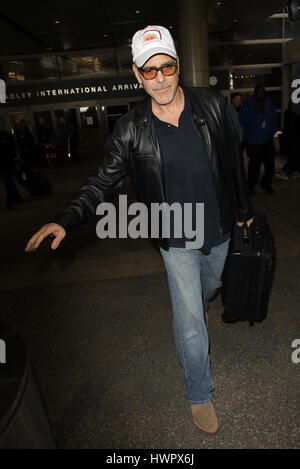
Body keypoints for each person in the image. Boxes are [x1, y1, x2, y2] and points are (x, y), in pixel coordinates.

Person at [25, 25, 253, 435]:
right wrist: (66, 218)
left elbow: (233, 160)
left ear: (178, 66)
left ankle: (198, 309)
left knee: (210, 287)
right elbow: (100, 182)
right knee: (189, 319)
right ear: (136, 74)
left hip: (218, 228)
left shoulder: (212, 105)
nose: (160, 78)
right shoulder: (130, 129)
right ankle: (199, 392)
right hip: (175, 238)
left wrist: (244, 210)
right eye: (150, 71)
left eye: (167, 67)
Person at [239, 84, 278, 195]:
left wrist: (272, 132)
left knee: (270, 164)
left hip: (267, 140)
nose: (261, 94)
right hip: (253, 141)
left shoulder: (268, 102)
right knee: (254, 166)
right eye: (259, 92)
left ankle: (265, 183)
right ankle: (250, 186)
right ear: (254, 92)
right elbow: (243, 120)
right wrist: (255, 111)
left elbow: (274, 117)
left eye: (263, 92)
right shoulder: (248, 103)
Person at [276, 103, 300, 180]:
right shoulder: (292, 113)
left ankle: (290, 171)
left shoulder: (289, 112)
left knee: (293, 156)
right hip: (293, 138)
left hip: (291, 138)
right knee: (293, 156)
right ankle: (287, 170)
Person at [0, 128, 22, 210]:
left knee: (7, 182)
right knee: (8, 181)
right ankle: (16, 197)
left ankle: (10, 202)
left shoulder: (5, 135)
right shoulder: (6, 135)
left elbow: (12, 149)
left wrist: (15, 160)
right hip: (6, 163)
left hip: (6, 163)